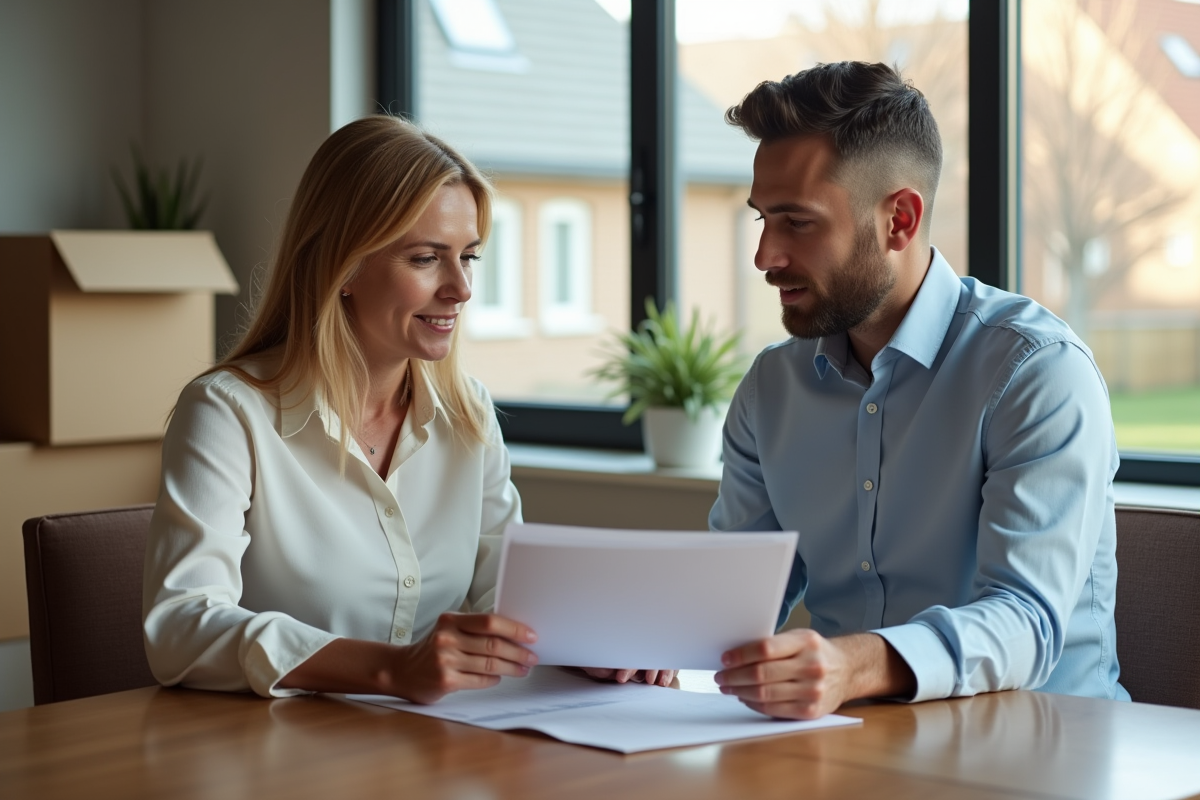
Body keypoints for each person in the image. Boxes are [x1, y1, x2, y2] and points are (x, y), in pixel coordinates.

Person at [143, 116, 672, 702]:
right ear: (343, 266)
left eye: (468, 257)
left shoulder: (468, 412)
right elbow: (181, 628)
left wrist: (599, 640)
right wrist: (392, 670)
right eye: (425, 258)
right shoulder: (227, 412)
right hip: (275, 744)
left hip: (438, 738)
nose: (461, 289)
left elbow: (507, 596)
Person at [709, 62, 1127, 720]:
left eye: (797, 223)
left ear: (899, 220)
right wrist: (631, 639)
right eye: (763, 219)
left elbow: (1027, 621)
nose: (765, 256)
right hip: (851, 739)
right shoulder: (772, 387)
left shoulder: (1036, 372)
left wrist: (853, 665)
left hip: (1046, 743)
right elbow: (730, 599)